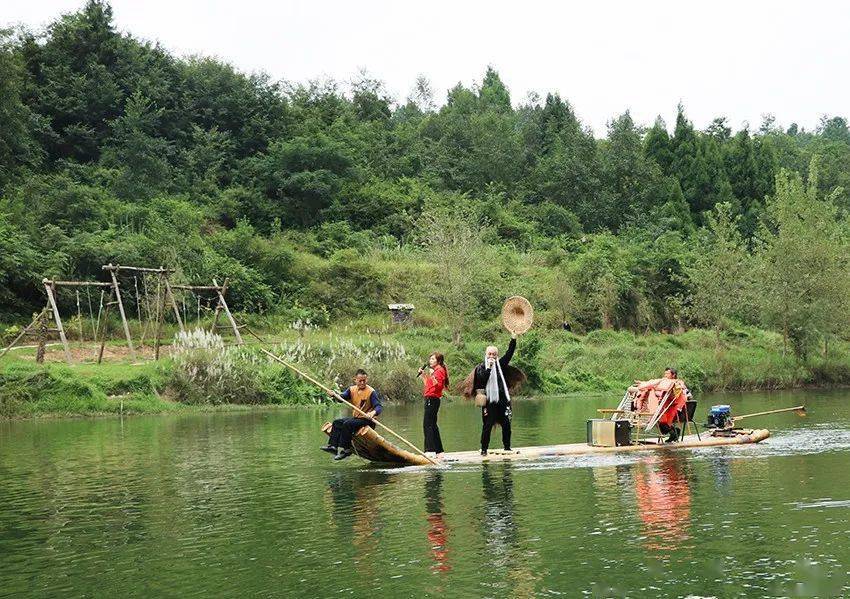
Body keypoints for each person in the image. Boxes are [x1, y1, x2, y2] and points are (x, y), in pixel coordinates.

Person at [321, 369, 382, 461]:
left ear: (367, 380)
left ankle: (346, 450)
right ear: (355, 380)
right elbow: (341, 398)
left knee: (348, 424)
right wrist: (334, 395)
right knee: (337, 422)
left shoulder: (371, 392)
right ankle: (333, 447)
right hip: (357, 418)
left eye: (364, 380)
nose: (362, 383)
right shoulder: (351, 389)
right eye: (360, 381)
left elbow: (378, 407)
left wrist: (372, 413)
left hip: (367, 420)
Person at [473, 334, 517, 455]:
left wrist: (513, 339)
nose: (492, 356)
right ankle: (484, 449)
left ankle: (507, 447)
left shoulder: (501, 365)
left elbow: (509, 353)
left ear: (497, 356)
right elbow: (482, 380)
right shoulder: (481, 367)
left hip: (503, 399)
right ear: (486, 355)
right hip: (489, 400)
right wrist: (489, 368)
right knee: (487, 425)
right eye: (490, 354)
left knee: (507, 423)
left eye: (494, 354)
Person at [629, 367, 689, 442]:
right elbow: (654, 383)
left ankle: (674, 433)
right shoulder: (665, 382)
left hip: (675, 409)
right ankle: (674, 432)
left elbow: (686, 394)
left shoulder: (676, 383)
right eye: (665, 373)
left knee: (661, 422)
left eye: (667, 373)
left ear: (673, 375)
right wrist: (643, 384)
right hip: (666, 408)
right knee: (660, 423)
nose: (665, 375)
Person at [418, 352, 449, 459]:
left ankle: (430, 450)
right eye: (430, 359)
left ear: (438, 361)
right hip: (430, 398)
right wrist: (423, 375)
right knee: (432, 425)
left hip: (433, 399)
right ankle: (439, 451)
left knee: (428, 424)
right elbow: (429, 384)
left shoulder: (439, 370)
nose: (430, 361)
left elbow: (439, 386)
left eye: (432, 359)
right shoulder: (436, 371)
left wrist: (432, 375)